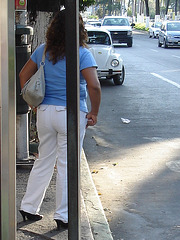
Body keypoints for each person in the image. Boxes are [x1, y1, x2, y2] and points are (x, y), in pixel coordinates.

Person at [19, 9, 101, 230]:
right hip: (71, 114)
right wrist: (94, 112)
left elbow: (23, 76)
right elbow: (93, 85)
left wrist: (31, 103)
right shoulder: (82, 53)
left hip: (45, 112)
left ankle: (28, 206)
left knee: (44, 159)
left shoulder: (43, 51)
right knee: (67, 164)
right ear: (79, 28)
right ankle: (63, 215)